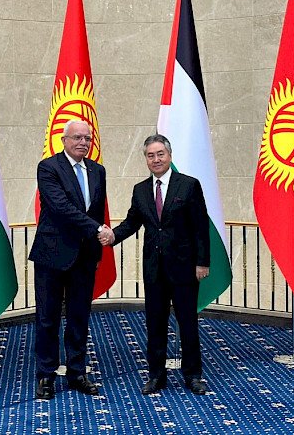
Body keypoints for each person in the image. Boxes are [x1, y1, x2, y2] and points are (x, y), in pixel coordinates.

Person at [100, 134, 210, 395]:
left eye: (160, 154)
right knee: (155, 324)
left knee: (188, 323)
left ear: (169, 156)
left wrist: (202, 262)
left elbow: (200, 226)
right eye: (151, 155)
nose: (156, 159)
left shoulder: (189, 185)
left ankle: (193, 375)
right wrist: (113, 236)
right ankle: (156, 376)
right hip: (154, 270)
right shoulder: (140, 190)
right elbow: (132, 222)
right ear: (146, 159)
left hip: (184, 268)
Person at [29, 119, 114, 400]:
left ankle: (77, 373)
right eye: (77, 137)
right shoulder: (48, 167)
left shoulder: (98, 171)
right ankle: (46, 375)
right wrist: (98, 229)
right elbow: (60, 207)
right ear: (64, 140)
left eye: (87, 138)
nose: (83, 142)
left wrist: (98, 250)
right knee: (47, 318)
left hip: (85, 257)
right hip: (52, 255)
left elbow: (97, 211)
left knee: (79, 318)